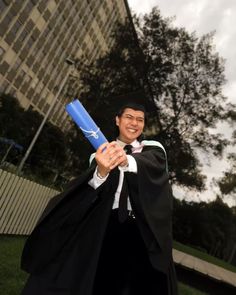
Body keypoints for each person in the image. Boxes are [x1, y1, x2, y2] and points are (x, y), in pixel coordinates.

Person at [21, 102, 178, 295]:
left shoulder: (153, 151)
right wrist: (101, 172)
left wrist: (126, 159)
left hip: (141, 231)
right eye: (129, 117)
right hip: (106, 226)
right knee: (96, 281)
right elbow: (92, 192)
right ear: (117, 120)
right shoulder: (98, 155)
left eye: (140, 119)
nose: (134, 123)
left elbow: (152, 166)